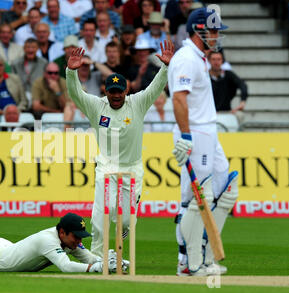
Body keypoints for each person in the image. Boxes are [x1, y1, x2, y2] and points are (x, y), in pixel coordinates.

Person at [65, 41, 173, 258]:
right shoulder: (98, 106)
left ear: (126, 90)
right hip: (106, 167)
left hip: (132, 168)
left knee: (125, 220)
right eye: (112, 91)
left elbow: (155, 88)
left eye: (119, 92)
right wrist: (71, 72)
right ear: (106, 90)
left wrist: (166, 68)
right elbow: (76, 94)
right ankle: (96, 258)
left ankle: (122, 232)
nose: (116, 96)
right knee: (99, 217)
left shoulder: (138, 103)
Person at [168, 8, 238, 277]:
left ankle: (206, 255)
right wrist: (185, 136)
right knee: (196, 198)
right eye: (213, 30)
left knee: (227, 189)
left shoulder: (199, 58)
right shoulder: (187, 58)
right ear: (198, 30)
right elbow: (178, 99)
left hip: (207, 132)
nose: (217, 36)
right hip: (195, 133)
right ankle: (187, 262)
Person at [0, 54, 28, 120]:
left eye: (0, 65)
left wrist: (14, 111)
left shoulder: (15, 79)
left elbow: (24, 101)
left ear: (4, 67)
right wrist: (1, 112)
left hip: (17, 113)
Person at [208, 51, 248, 121]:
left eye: (218, 59)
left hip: (227, 111)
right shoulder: (204, 76)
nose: (216, 62)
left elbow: (242, 85)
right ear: (209, 61)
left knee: (240, 115)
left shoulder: (228, 75)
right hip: (209, 112)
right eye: (213, 59)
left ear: (222, 61)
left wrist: (242, 102)